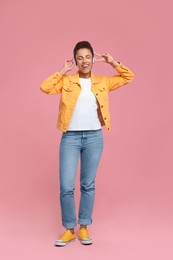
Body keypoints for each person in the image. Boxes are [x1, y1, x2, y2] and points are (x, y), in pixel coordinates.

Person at [40, 41, 135, 246]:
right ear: (75, 60)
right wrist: (62, 70)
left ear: (93, 59)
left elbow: (129, 76)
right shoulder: (66, 81)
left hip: (94, 137)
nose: (84, 61)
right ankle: (68, 229)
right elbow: (44, 87)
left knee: (87, 185)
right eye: (80, 57)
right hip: (70, 138)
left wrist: (113, 62)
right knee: (66, 185)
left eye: (88, 57)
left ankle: (83, 227)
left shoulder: (102, 81)